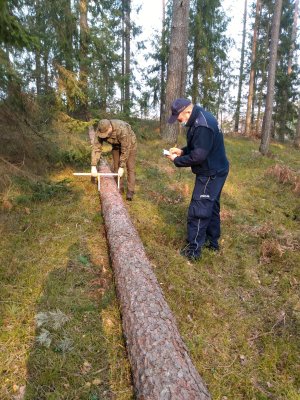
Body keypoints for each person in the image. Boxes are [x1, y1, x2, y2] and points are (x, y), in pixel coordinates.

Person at [166, 98, 229, 261]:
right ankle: (212, 242)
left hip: (211, 173)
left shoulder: (202, 124)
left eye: (178, 117)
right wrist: (182, 151)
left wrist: (176, 160)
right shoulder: (200, 117)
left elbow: (198, 156)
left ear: (186, 111)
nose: (178, 121)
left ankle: (193, 251)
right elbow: (199, 146)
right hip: (218, 168)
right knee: (212, 205)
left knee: (199, 209)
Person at [91, 119, 137, 201]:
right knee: (116, 166)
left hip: (130, 145)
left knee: (130, 168)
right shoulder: (100, 130)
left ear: (110, 127)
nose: (104, 136)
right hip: (115, 145)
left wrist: (122, 166)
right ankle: (119, 187)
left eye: (106, 133)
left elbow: (125, 150)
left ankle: (130, 191)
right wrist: (93, 165)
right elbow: (96, 148)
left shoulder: (122, 129)